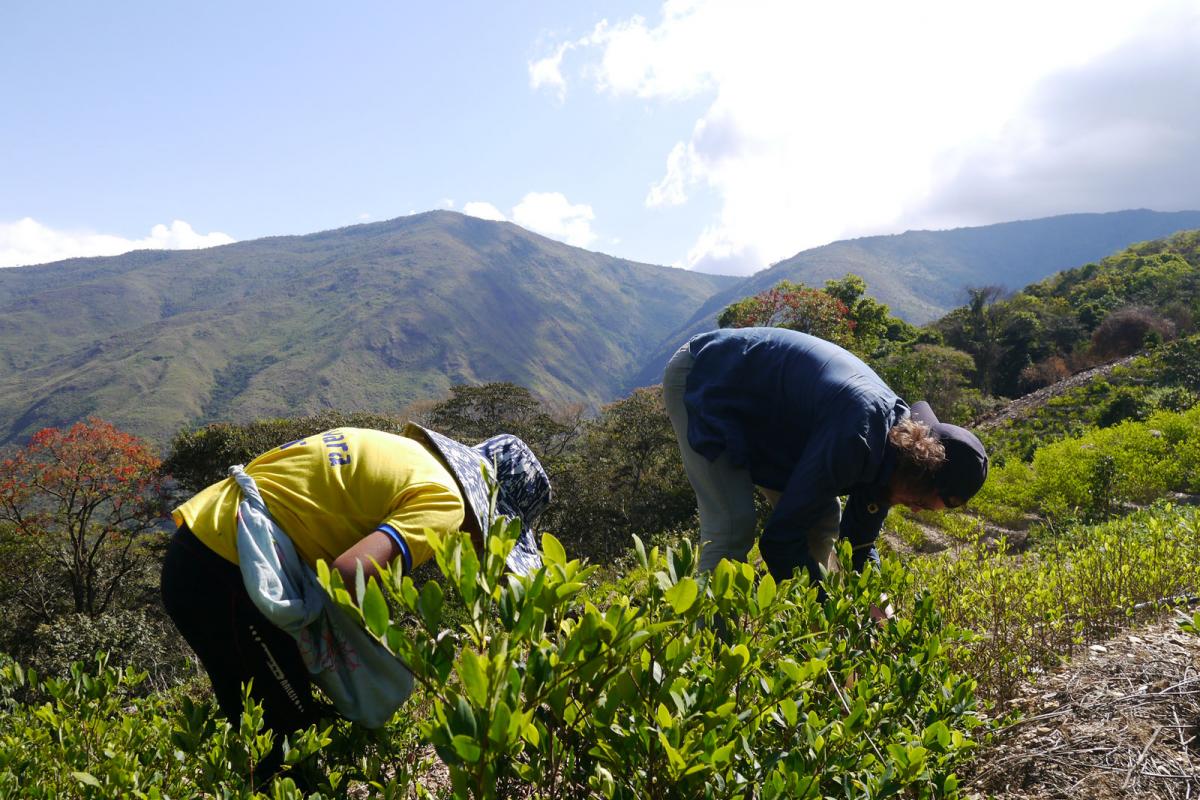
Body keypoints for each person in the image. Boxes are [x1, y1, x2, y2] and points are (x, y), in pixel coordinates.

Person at [160, 423, 550, 784]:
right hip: (226, 571)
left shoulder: (409, 456)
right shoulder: (445, 504)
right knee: (288, 746)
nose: (483, 548)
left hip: (204, 549)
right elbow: (347, 574)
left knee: (261, 732)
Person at [662, 326, 987, 589]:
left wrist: (875, 606)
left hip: (767, 415)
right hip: (708, 378)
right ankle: (707, 655)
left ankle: (818, 647)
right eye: (923, 503)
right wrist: (827, 615)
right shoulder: (858, 437)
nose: (915, 509)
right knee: (732, 527)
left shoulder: (896, 455)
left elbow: (859, 543)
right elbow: (779, 541)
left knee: (821, 521)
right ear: (920, 472)